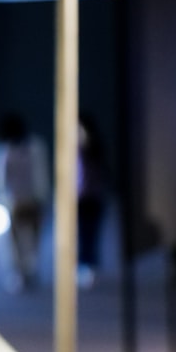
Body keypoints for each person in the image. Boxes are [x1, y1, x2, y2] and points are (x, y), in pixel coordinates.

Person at [0, 111, 51, 291]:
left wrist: (41, 197)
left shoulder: (35, 147)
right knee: (14, 240)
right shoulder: (2, 151)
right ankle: (19, 271)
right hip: (14, 201)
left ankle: (30, 268)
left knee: (33, 237)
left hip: (32, 199)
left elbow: (41, 174)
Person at [77, 113, 110, 289]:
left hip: (92, 196)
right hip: (79, 197)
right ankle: (83, 265)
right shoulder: (72, 148)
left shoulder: (93, 147)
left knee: (90, 232)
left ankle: (90, 265)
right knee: (82, 233)